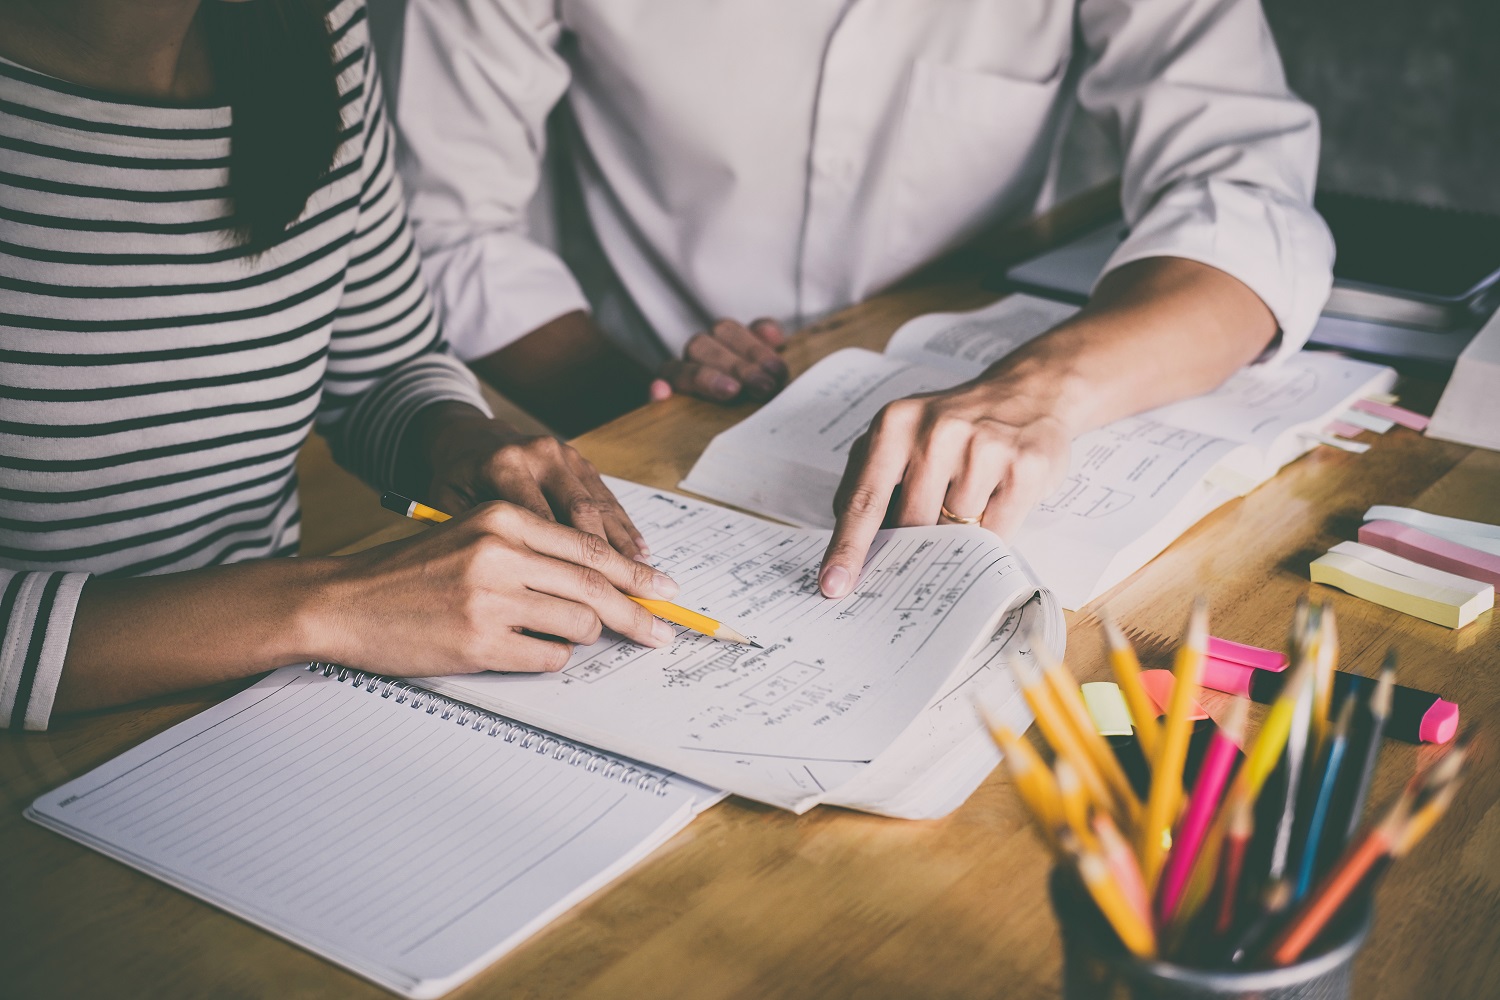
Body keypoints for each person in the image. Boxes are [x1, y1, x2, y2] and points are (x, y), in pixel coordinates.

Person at [372, 0, 1333, 598]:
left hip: (989, 407)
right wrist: (635, 409)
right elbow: (442, 225)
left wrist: (1043, 391)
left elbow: (1245, 199)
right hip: (663, 426)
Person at [0, 0, 680, 731]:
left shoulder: (315, 28)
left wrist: (460, 441)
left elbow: (382, 366)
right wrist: (325, 604)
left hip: (263, 708)